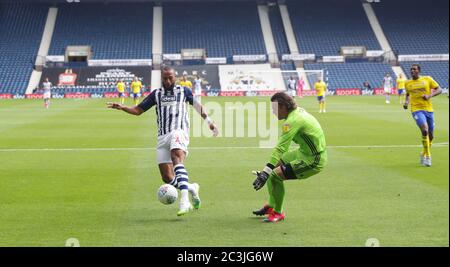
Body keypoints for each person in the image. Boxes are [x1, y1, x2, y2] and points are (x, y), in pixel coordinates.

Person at [107, 66, 219, 216]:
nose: (167, 80)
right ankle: (191, 188)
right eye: (165, 78)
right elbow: (138, 110)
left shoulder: (183, 91)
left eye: (170, 77)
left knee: (176, 157)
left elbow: (199, 107)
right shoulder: (156, 94)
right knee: (167, 177)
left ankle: (184, 201)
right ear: (161, 78)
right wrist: (122, 107)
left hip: (179, 132)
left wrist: (210, 122)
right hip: (162, 137)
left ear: (175, 77)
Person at [252, 92, 327, 222]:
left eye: (275, 108)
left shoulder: (292, 121)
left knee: (274, 175)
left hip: (314, 159)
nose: (273, 112)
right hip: (303, 152)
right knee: (270, 170)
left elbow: (281, 148)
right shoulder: (296, 112)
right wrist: (265, 171)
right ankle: (271, 205)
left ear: (283, 107)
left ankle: (278, 212)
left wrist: (266, 172)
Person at [403, 64, 442, 167]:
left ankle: (423, 153)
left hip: (429, 109)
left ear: (419, 71)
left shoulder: (427, 79)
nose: (412, 71)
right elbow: (407, 94)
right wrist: (406, 102)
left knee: (431, 136)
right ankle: (428, 157)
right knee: (425, 130)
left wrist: (429, 95)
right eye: (411, 69)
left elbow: (439, 89)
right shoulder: (407, 83)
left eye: (414, 69)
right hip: (416, 110)